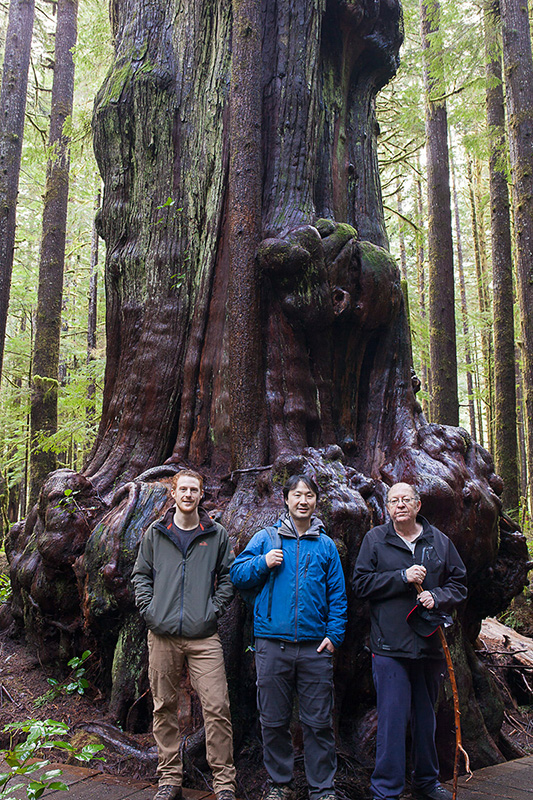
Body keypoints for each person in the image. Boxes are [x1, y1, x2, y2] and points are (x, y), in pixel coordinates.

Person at [230, 474, 347, 800]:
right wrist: (263, 563)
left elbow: (338, 595)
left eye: (309, 495)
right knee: (273, 721)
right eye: (297, 495)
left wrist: (334, 637)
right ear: (286, 499)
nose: (303, 501)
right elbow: (237, 574)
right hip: (271, 646)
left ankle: (322, 789)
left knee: (318, 724)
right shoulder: (267, 538)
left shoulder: (325, 546)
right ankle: (279, 785)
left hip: (314, 649)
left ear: (315, 501)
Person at [352, 482, 467, 800]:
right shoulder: (376, 539)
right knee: (391, 717)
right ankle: (386, 789)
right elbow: (361, 584)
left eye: (406, 500)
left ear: (418, 505)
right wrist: (401, 578)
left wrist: (437, 595)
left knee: (426, 716)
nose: (399, 505)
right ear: (387, 507)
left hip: (430, 644)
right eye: (393, 500)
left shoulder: (439, 542)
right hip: (389, 646)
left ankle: (427, 782)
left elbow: (459, 584)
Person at [132, 469, 237, 800]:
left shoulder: (216, 535)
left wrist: (211, 611)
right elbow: (141, 576)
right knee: (164, 706)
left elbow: (229, 577)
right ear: (173, 494)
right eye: (183, 489)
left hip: (203, 636)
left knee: (217, 706)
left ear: (201, 494)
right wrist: (151, 612)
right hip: (162, 635)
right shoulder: (156, 533)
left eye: (195, 489)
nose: (189, 494)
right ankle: (169, 779)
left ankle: (224, 783)